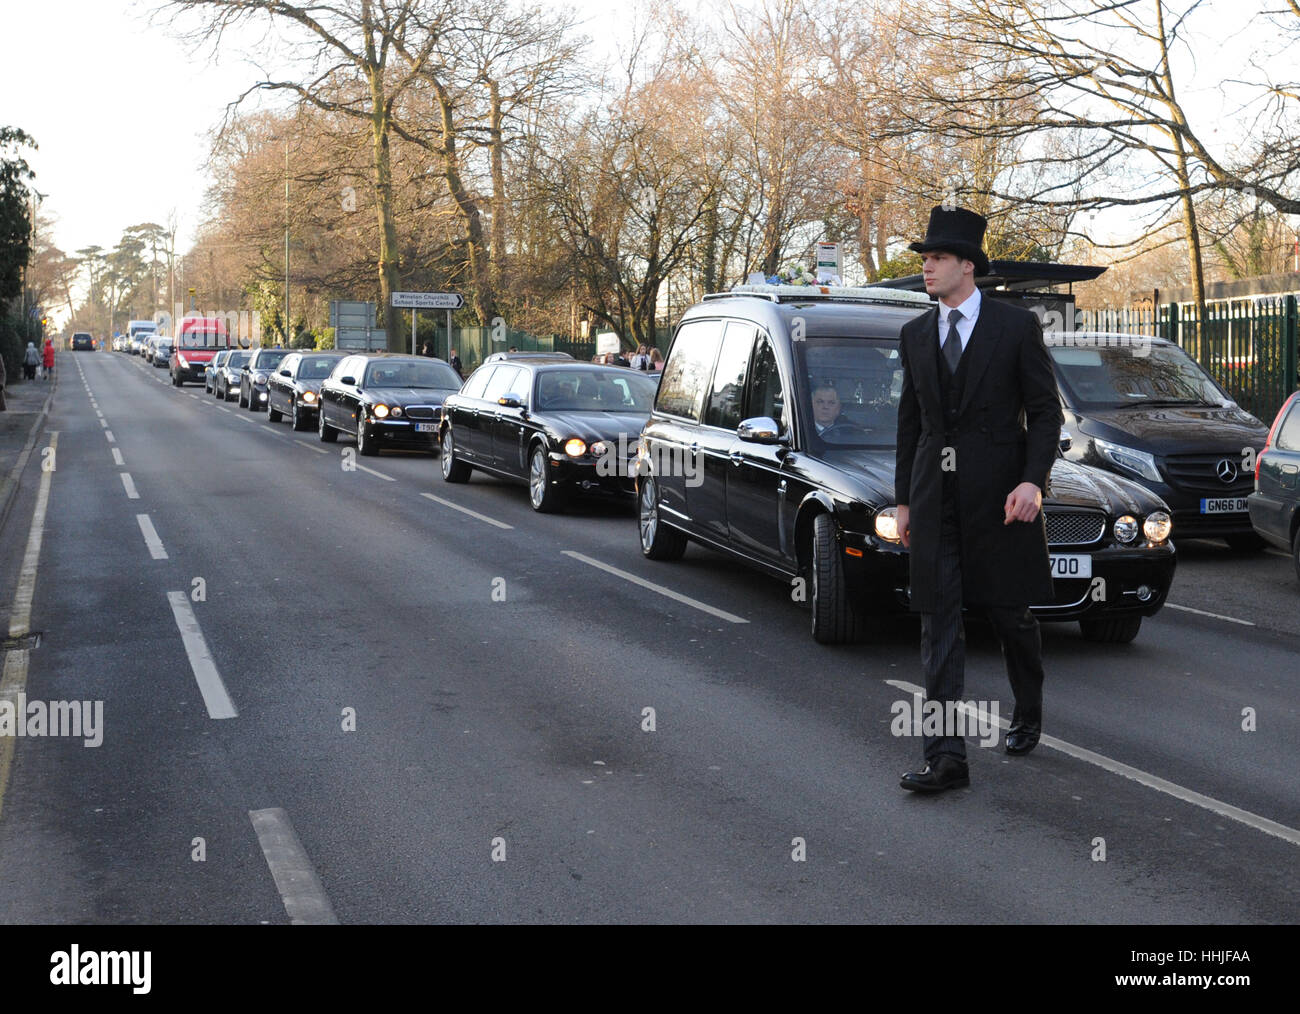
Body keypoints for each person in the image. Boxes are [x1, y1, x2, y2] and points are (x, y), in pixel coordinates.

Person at [894, 205, 1063, 793]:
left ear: (968, 266)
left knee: (1009, 612)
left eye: (938, 258)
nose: (927, 268)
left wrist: (1032, 482)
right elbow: (910, 423)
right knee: (938, 623)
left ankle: (1029, 705)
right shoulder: (915, 334)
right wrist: (904, 501)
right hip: (934, 497)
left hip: (1002, 499)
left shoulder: (1014, 327)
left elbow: (1045, 413)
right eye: (925, 259)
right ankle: (947, 758)